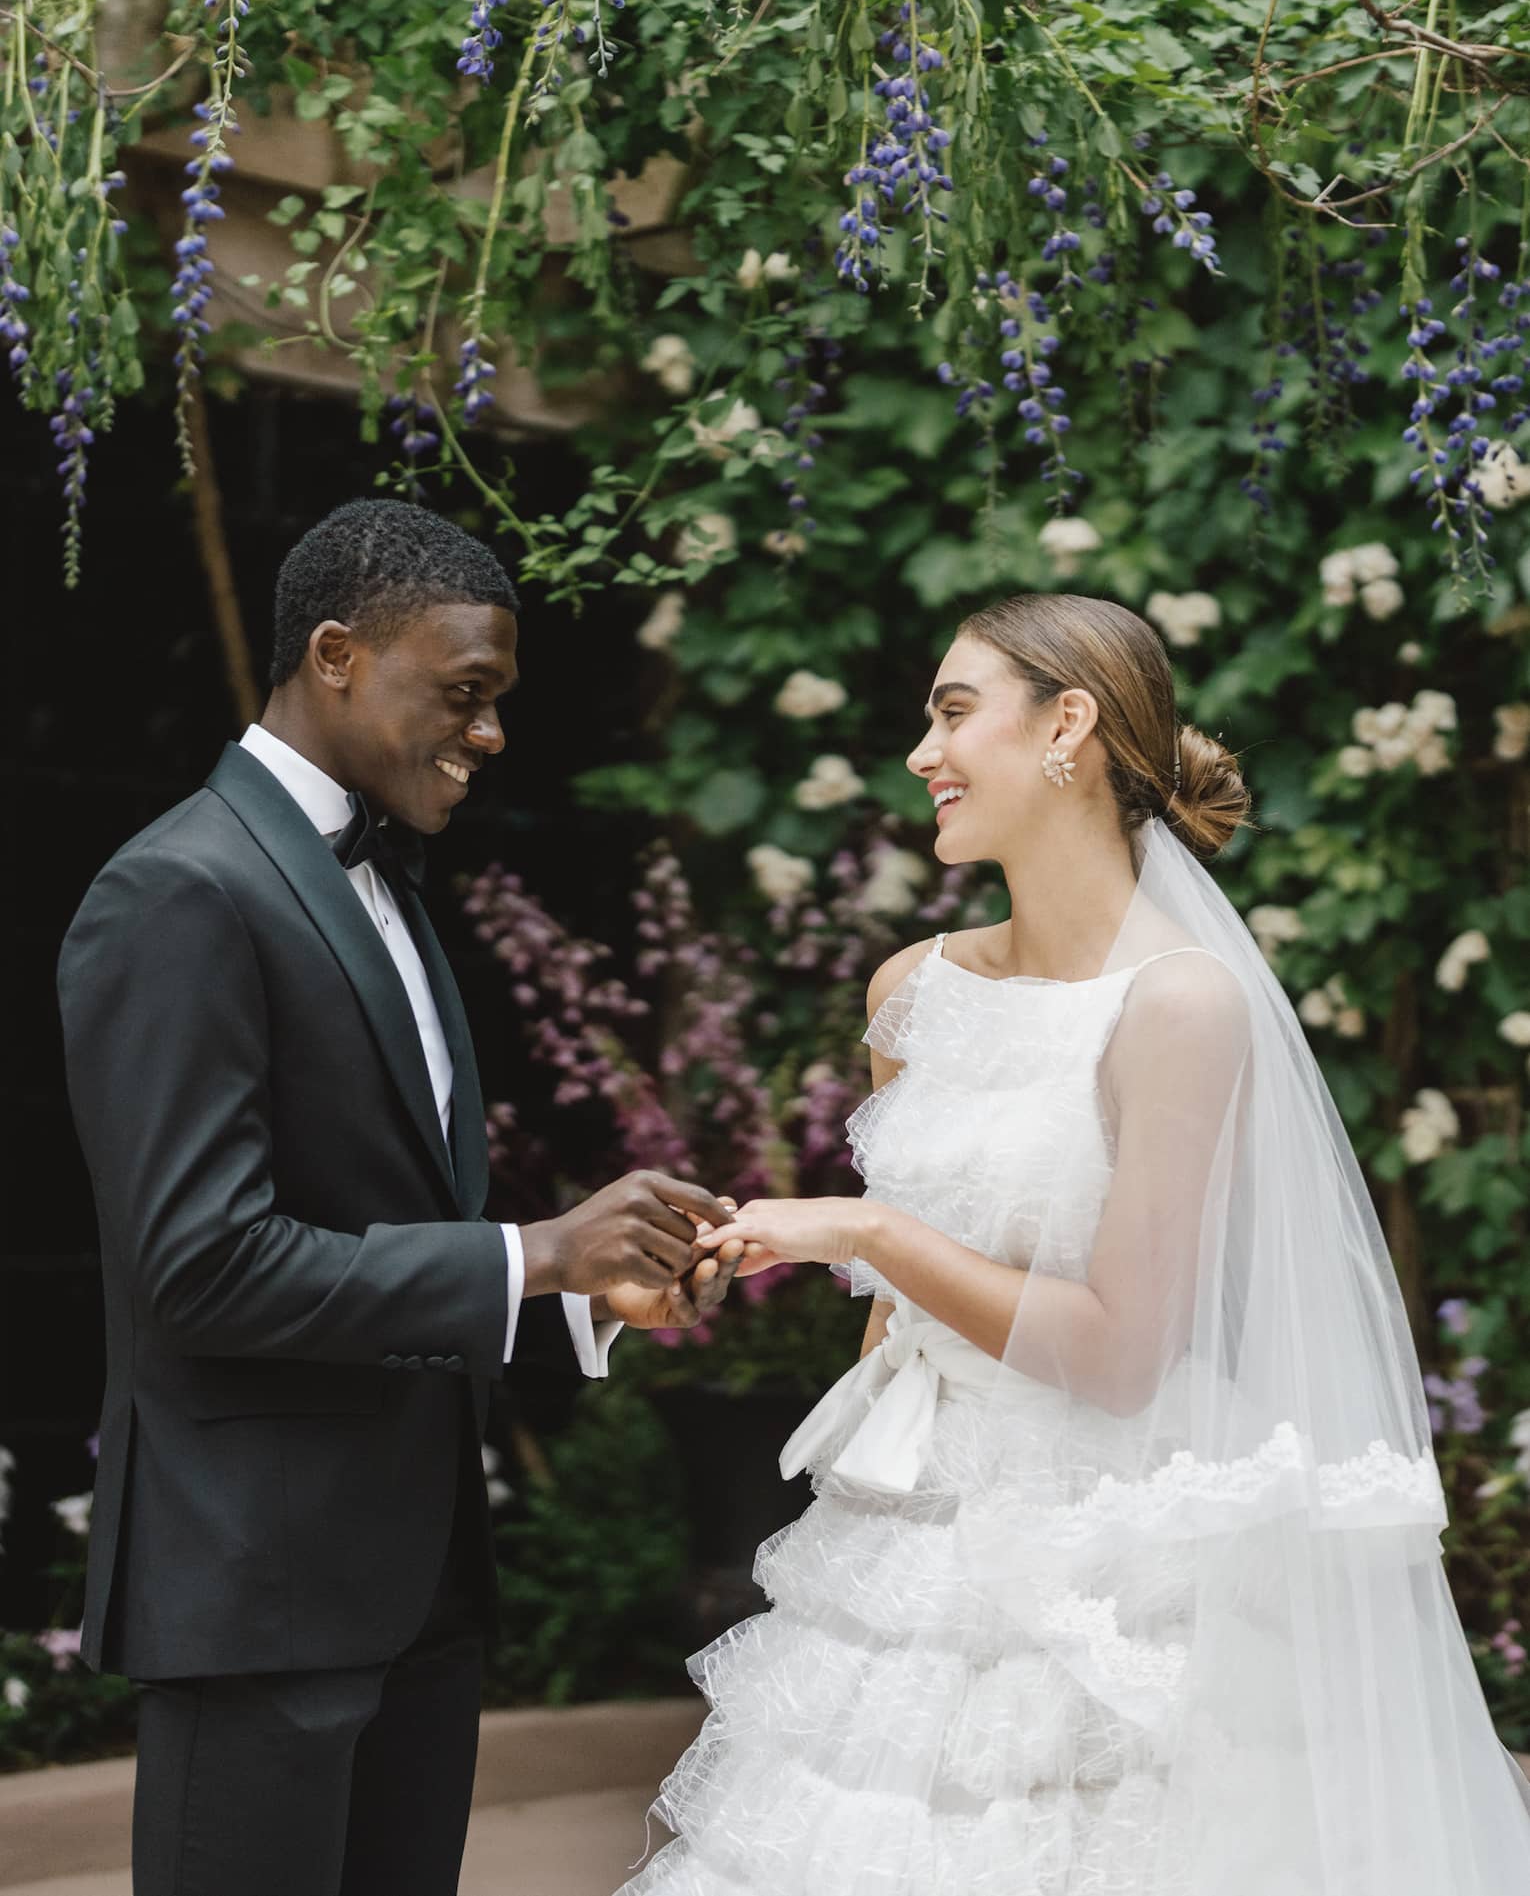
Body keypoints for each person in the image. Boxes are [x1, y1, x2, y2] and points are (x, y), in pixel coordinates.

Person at [632, 592, 1530, 1893]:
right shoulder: (909, 990)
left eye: (950, 712)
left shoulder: (1176, 1005)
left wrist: (867, 1226)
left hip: (1106, 1558)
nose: (918, 755)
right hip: (901, 1543)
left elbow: (1119, 1352)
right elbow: (895, 1317)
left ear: (1067, 723)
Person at [57, 499, 740, 1896]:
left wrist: (577, 1295)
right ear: (336, 655)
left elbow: (383, 1210)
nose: (490, 734)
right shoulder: (177, 890)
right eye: (467, 692)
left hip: (417, 1590)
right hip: (257, 1594)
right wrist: (531, 1253)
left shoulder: (385, 888)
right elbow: (200, 1265)